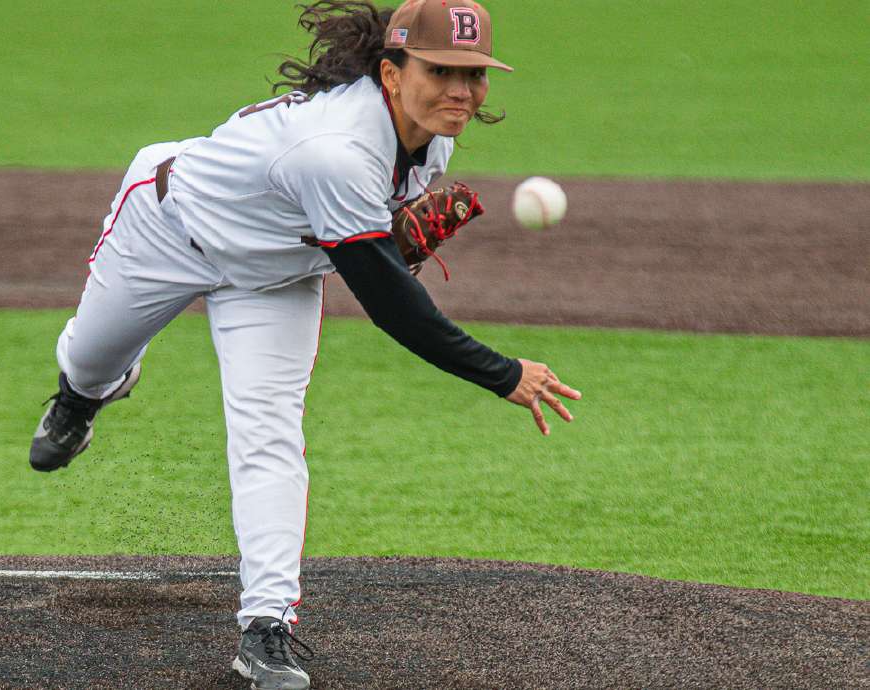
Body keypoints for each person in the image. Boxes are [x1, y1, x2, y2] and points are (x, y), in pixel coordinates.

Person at [29, 0, 581, 687]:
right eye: (441, 71)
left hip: (275, 280)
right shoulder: (335, 151)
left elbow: (364, 248)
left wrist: (386, 238)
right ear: (391, 72)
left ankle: (267, 629)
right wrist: (501, 373)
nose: (462, 92)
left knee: (268, 434)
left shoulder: (433, 134)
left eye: (475, 74)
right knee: (88, 359)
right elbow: (393, 308)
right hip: (168, 231)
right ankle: (82, 399)